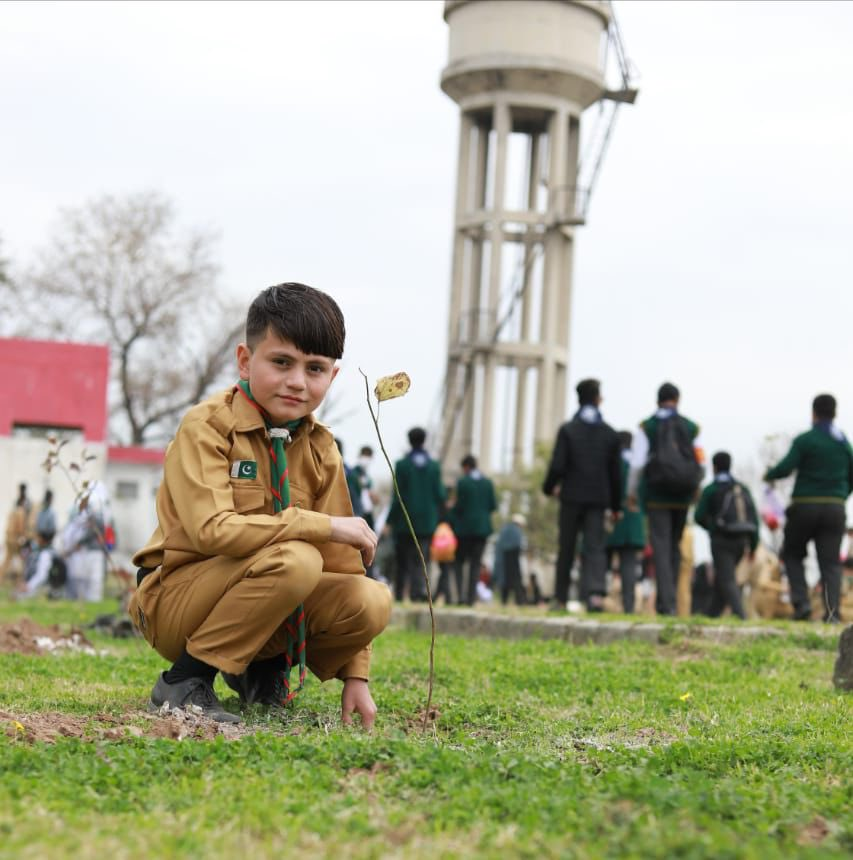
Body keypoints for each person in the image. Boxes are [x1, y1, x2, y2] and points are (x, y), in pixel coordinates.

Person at [128, 282, 392, 726]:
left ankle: (261, 669)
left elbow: (345, 567)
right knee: (297, 559)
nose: (297, 381)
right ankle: (184, 681)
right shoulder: (207, 428)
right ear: (246, 361)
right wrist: (319, 525)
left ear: (333, 376)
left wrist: (356, 677)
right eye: (281, 362)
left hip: (269, 598)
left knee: (371, 598)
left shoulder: (322, 448)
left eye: (315, 368)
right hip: (178, 602)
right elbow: (214, 530)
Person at [764, 393, 853, 623]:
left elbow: (785, 467)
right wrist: (841, 495)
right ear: (834, 413)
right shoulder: (843, 443)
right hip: (835, 508)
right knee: (831, 563)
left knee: (792, 554)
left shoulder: (805, 440)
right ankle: (832, 613)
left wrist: (769, 475)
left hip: (805, 506)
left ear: (813, 413)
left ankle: (801, 604)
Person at [543, 378, 621, 611]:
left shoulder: (568, 430)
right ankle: (595, 595)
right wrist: (616, 506)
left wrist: (549, 488)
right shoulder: (610, 434)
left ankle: (560, 598)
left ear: (578, 399)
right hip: (598, 499)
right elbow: (616, 475)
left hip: (571, 497)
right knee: (594, 547)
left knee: (566, 546)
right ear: (598, 399)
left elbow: (557, 465)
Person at [628, 382, 704, 616]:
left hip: (657, 494)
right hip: (682, 494)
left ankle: (667, 603)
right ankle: (670, 600)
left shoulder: (647, 426)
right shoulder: (690, 427)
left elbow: (638, 463)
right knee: (675, 546)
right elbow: (701, 460)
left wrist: (631, 491)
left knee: (660, 546)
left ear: (657, 400)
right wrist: (696, 486)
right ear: (677, 399)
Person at [694, 451, 759, 620]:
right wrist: (753, 546)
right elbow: (754, 519)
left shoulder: (711, 489)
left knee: (727, 579)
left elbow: (698, 516)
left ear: (714, 467)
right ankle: (711, 615)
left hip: (721, 540)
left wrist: (712, 527)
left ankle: (741, 616)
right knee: (722, 580)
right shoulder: (742, 489)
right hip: (742, 540)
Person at [388, 427, 445, 602]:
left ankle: (399, 593)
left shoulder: (402, 465)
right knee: (422, 558)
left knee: (402, 559)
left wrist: (390, 520)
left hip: (405, 521)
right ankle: (418, 592)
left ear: (409, 440)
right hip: (427, 522)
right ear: (424, 440)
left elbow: (397, 496)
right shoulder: (434, 467)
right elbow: (440, 495)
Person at [606, 431, 645, 613]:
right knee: (629, 567)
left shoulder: (614, 464)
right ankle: (628, 606)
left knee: (603, 563)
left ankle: (597, 601)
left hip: (613, 520)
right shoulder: (638, 466)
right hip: (635, 522)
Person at [452, 454, 497, 605]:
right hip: (482, 530)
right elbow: (492, 505)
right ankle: (471, 598)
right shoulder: (488, 482)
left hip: (465, 530)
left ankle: (460, 596)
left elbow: (459, 507)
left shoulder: (463, 482)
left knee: (459, 562)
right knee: (476, 564)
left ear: (465, 467)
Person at [62, 480, 112, 602]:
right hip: (88, 551)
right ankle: (85, 600)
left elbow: (98, 529)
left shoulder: (99, 509)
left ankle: (93, 600)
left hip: (94, 550)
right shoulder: (89, 510)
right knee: (87, 579)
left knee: (94, 579)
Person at [494, 513, 527, 606]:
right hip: (513, 561)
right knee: (516, 581)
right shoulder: (516, 531)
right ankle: (520, 602)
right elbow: (518, 546)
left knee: (505, 583)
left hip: (503, 561)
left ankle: (504, 601)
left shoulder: (504, 530)